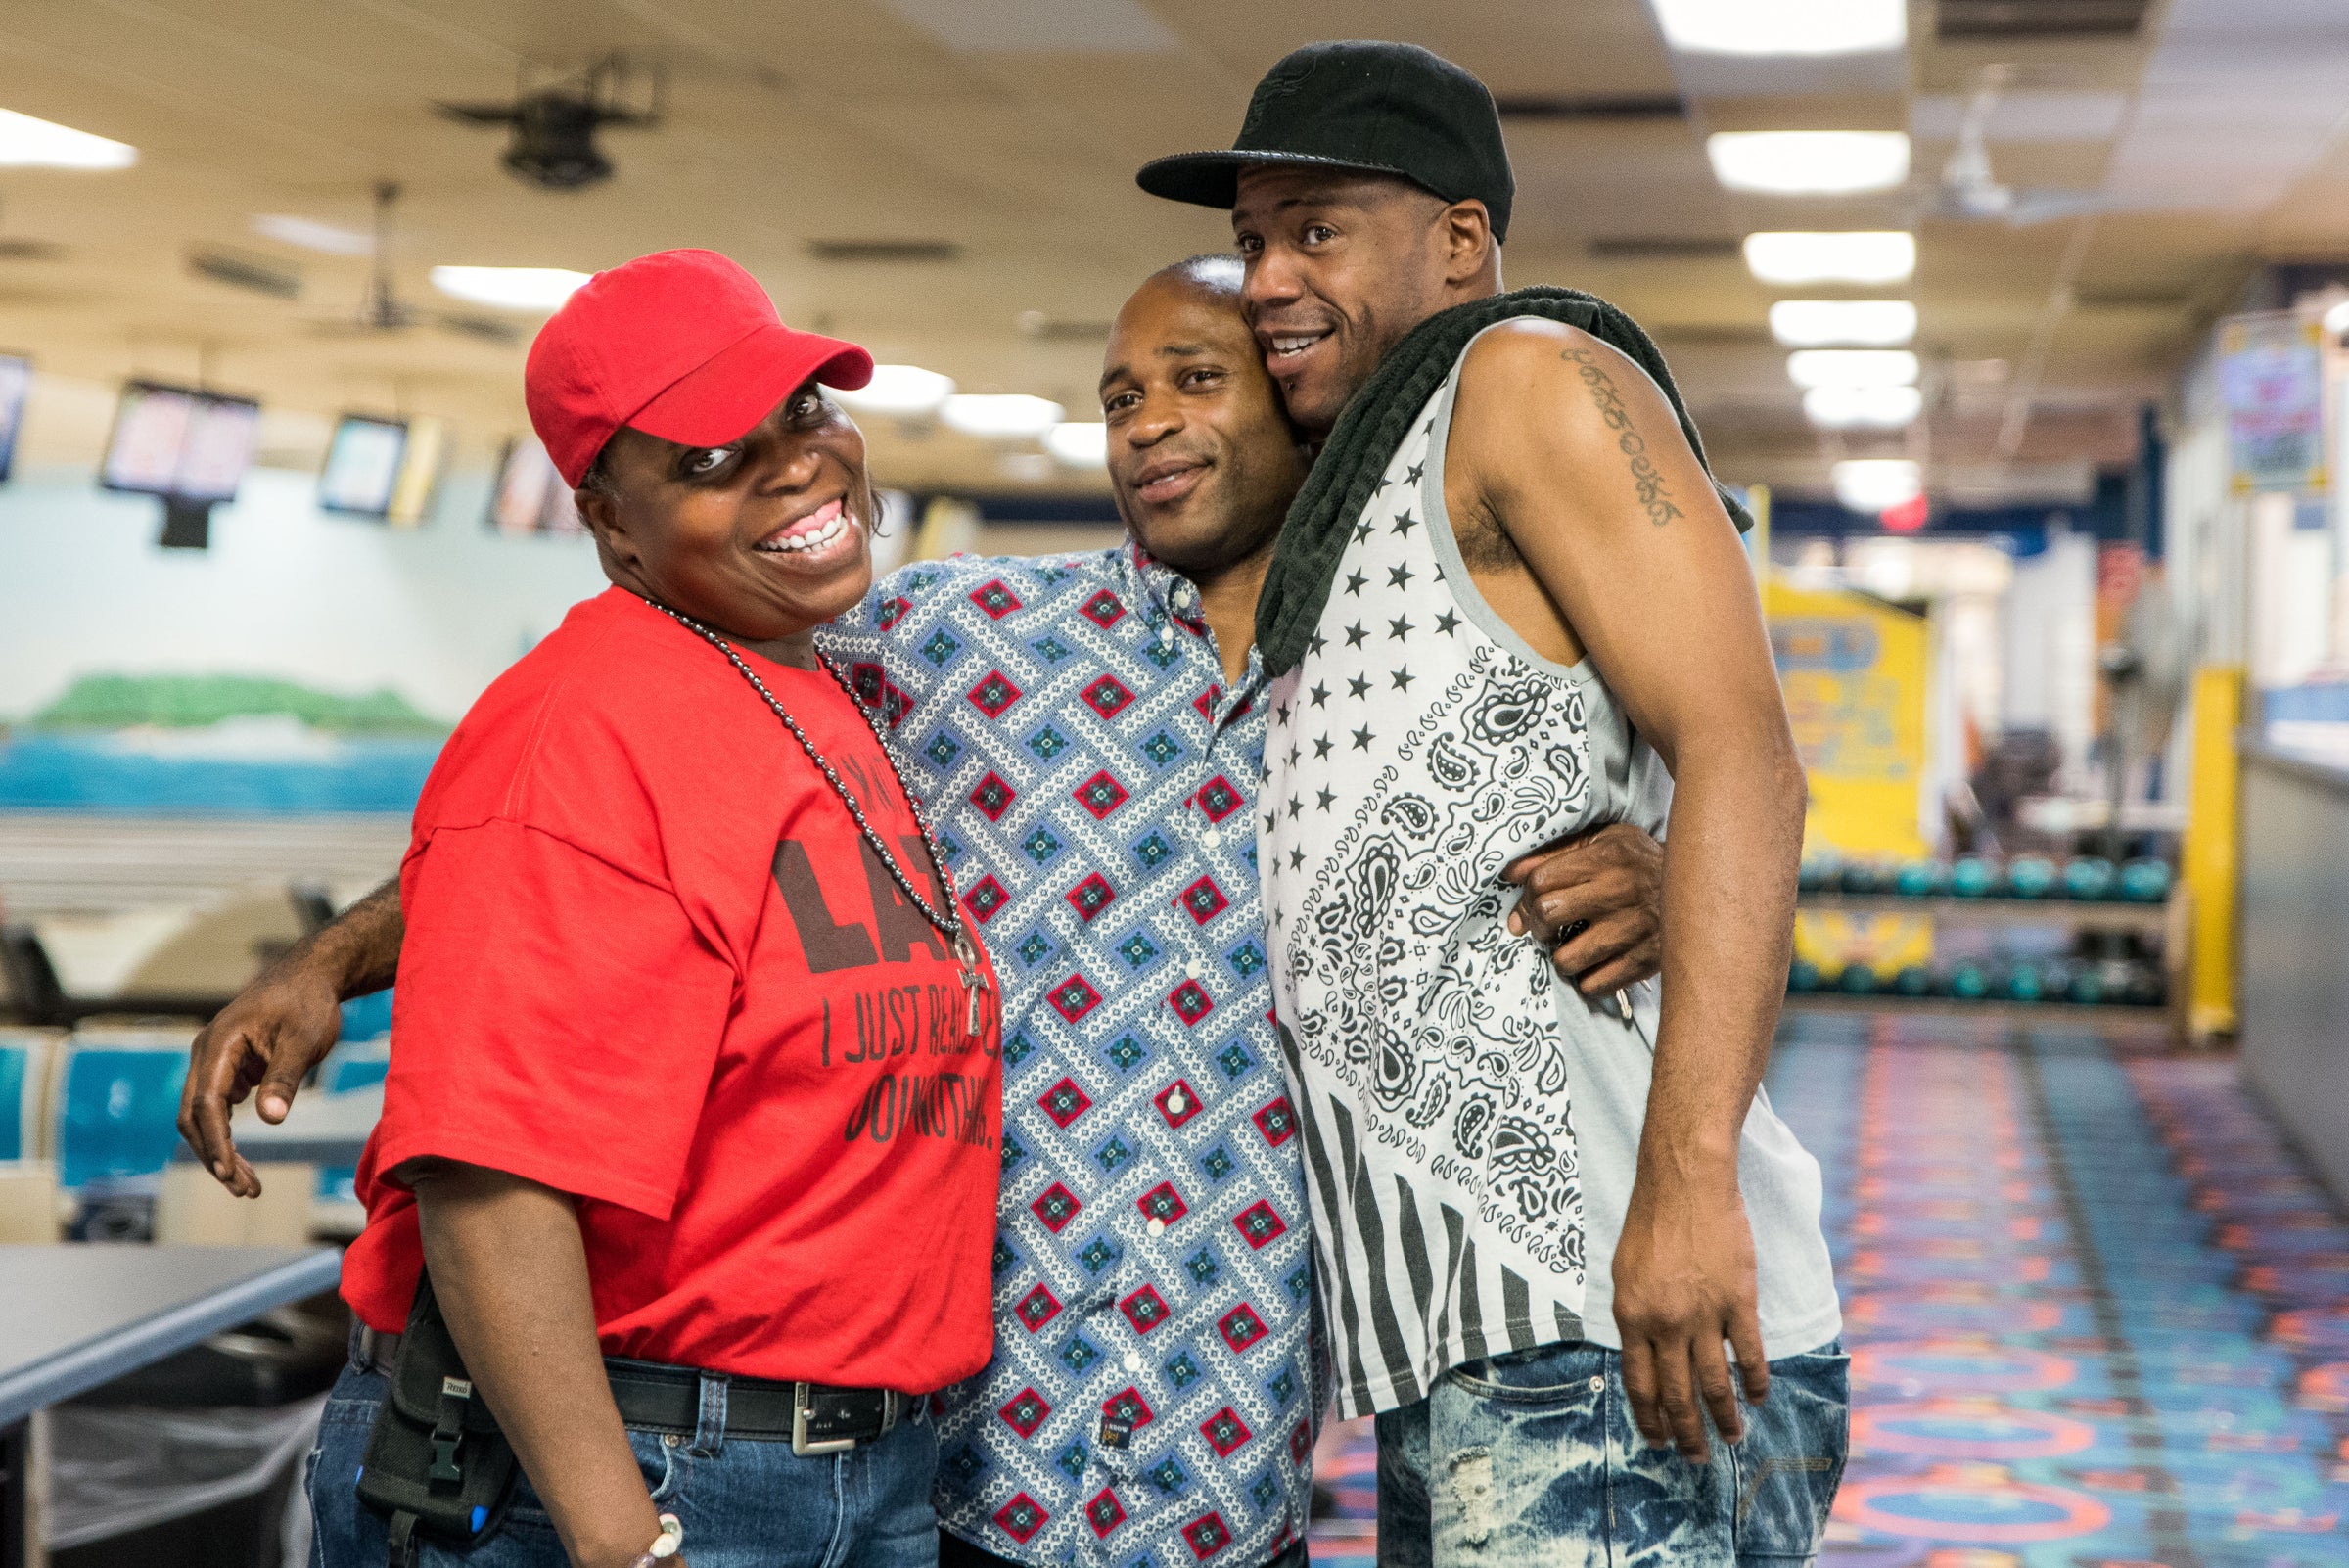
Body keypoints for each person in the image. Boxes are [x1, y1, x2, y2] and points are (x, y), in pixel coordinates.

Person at [183, 260, 1673, 1568]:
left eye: (1196, 379)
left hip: (1218, 1463)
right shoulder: (953, 637)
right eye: (1116, 395)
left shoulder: (1426, 675)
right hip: (964, 1467)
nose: (1147, 418)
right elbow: (586, 821)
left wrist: (1658, 863)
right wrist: (336, 956)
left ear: (1306, 413)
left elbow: (1702, 772)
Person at [1135, 40, 1844, 1567]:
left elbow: (1745, 752)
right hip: (1472, 1339)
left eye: (1317, 228)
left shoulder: (1524, 381)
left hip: (1603, 1301)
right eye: (1255, 236)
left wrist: (1686, 1190)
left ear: (1459, 239)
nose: (1265, 275)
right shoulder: (1374, 468)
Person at [306, 249, 1005, 1568]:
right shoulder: (586, 726)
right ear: (613, 521)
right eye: (707, 459)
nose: (795, 463)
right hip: (641, 1474)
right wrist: (625, 1539)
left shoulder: (799, 685)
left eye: (802, 413)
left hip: (848, 1466)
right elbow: (489, 1184)